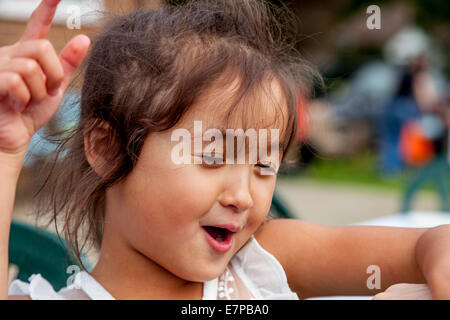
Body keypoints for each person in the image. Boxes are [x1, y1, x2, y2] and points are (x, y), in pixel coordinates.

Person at [1, 0, 450, 300]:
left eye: (263, 163)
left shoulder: (261, 265)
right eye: (213, 156)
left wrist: (436, 251)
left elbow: (422, 247)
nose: (243, 195)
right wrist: (6, 150)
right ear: (108, 149)